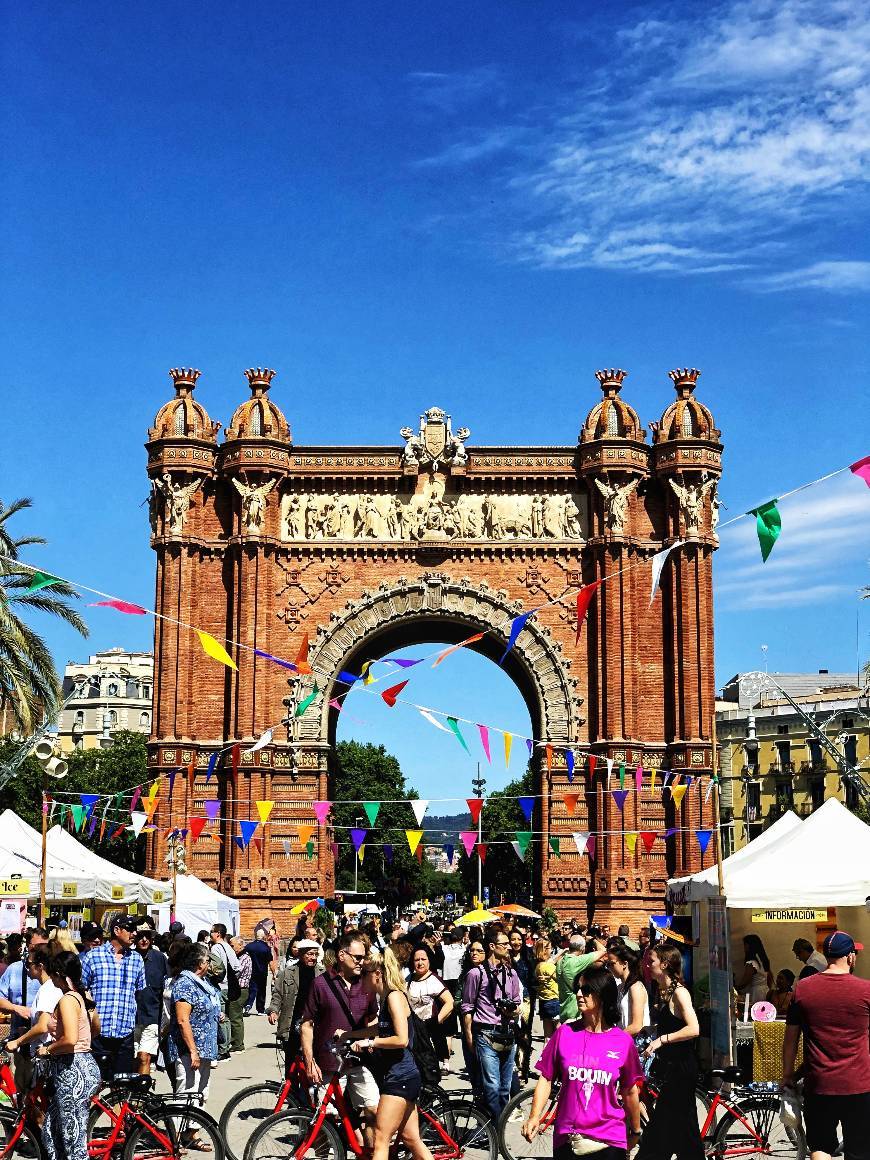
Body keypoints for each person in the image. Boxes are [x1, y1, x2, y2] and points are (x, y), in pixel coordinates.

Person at [522, 966, 643, 1160]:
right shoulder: (564, 1033)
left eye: (586, 990)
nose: (579, 994)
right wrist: (535, 1115)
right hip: (567, 1139)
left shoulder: (622, 1042)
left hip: (609, 1141)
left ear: (602, 994)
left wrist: (636, 1130)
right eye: (577, 989)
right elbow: (546, 1078)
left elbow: (629, 1091)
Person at [338, 949, 435, 1160]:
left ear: (378, 973)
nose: (360, 978)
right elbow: (380, 1029)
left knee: (381, 1139)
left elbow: (401, 1039)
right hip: (402, 1076)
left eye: (364, 973)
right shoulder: (385, 998)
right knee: (411, 1139)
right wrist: (350, 1035)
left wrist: (369, 1043)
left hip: (400, 1076)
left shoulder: (394, 997)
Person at [783, 930, 870, 1160]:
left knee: (820, 1146)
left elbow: (790, 1037)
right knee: (860, 1150)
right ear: (850, 957)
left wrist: (787, 1074)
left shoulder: (803, 989)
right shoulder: (866, 990)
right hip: (859, 1084)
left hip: (819, 1083)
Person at [300, 930, 380, 1148]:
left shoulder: (367, 983)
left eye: (364, 957)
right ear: (342, 955)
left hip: (359, 1061)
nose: (361, 962)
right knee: (325, 1118)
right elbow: (307, 1025)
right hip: (328, 1062)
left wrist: (370, 1041)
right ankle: (324, 1151)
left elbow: (373, 1018)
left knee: (372, 1110)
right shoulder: (321, 984)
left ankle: (370, 1153)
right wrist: (309, 1061)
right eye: (357, 957)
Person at [32, 950, 101, 1160]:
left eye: (53, 974)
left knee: (73, 1139)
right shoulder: (83, 995)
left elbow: (70, 1040)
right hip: (80, 1065)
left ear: (59, 974)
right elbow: (95, 1029)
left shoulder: (68, 1000)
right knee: (51, 1132)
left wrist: (48, 1049)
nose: (51, 978)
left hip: (74, 1071)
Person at [637, 944, 703, 1160]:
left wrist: (661, 1040)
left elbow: (693, 1028)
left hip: (682, 1068)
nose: (648, 964)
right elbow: (671, 1024)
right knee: (680, 1129)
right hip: (672, 1067)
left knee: (669, 1126)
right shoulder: (662, 991)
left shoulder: (679, 993)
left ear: (664, 964)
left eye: (652, 960)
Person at [460, 922, 522, 1121]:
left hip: (507, 1034)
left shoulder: (511, 974)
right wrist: (469, 1035)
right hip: (485, 1034)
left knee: (504, 1089)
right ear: (492, 947)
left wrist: (512, 1011)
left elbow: (517, 1003)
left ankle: (498, 1128)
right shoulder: (475, 973)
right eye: (504, 944)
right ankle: (491, 1128)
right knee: (492, 1086)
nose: (509, 947)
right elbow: (467, 1007)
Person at [81, 914, 146, 1081]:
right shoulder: (93, 956)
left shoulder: (137, 959)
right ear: (117, 930)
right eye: (130, 929)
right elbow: (81, 990)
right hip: (98, 1033)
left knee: (122, 1086)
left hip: (125, 1033)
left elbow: (139, 992)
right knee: (94, 1083)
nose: (135, 933)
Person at [166, 942, 222, 1116]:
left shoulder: (202, 983)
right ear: (200, 964)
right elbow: (183, 1020)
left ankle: (193, 1132)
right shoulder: (185, 984)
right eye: (207, 960)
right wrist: (193, 1051)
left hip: (205, 1048)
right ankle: (178, 1138)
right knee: (187, 1092)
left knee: (200, 1092)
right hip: (188, 1050)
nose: (209, 964)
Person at [0, 926, 49, 1091]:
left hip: (46, 1044)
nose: (42, 950)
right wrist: (16, 1008)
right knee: (22, 1091)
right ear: (28, 946)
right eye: (37, 946)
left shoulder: (53, 971)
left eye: (45, 946)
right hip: (21, 1041)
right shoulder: (14, 970)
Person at [268, 939, 323, 1070]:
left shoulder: (322, 974)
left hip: (314, 1024)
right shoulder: (287, 973)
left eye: (315, 954)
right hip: (292, 1023)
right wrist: (273, 1011)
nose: (313, 958)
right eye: (309, 954)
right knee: (291, 1064)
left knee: (312, 1063)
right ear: (300, 954)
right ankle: (291, 1089)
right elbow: (277, 994)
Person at [407, 947, 453, 1070]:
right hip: (414, 1029)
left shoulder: (434, 980)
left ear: (429, 961)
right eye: (417, 960)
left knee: (429, 1065)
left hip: (430, 1029)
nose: (420, 962)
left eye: (423, 959)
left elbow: (449, 1002)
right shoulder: (408, 979)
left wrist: (437, 1020)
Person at [133, 926, 167, 1075]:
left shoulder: (160, 958)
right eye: (140, 936)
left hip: (152, 1016)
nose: (144, 940)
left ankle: (141, 1095)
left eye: (147, 936)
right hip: (131, 1017)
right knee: (133, 1058)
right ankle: (133, 1092)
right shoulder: (130, 957)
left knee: (144, 1057)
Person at [208, 923, 240, 1060]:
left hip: (220, 986)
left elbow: (215, 969)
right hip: (229, 986)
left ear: (217, 934)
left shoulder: (216, 948)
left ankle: (223, 1049)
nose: (210, 934)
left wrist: (218, 978)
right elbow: (237, 967)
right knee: (225, 1017)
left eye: (212, 932)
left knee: (221, 1017)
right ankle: (226, 1047)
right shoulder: (228, 946)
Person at [606, 940, 651, 1036]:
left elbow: (636, 1026)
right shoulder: (621, 987)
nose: (609, 968)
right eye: (608, 964)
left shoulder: (636, 987)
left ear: (624, 964)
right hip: (624, 1042)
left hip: (633, 1045)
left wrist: (613, 1039)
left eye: (612, 964)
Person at [509, 928, 536, 1084]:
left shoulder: (528, 956)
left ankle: (523, 1068)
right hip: (510, 1001)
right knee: (513, 1033)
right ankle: (512, 1067)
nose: (516, 942)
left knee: (525, 1035)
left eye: (519, 939)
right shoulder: (505, 958)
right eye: (513, 939)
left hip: (526, 1000)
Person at [556, 935, 602, 1023]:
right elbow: (603, 951)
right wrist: (593, 939)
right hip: (575, 1011)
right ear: (582, 948)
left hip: (564, 1008)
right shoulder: (578, 961)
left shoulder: (560, 961)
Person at [534, 936, 560, 1039]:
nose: (551, 949)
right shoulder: (549, 967)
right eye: (549, 947)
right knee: (559, 1033)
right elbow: (560, 978)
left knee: (548, 1037)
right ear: (544, 950)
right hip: (554, 1000)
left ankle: (545, 1055)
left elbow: (552, 961)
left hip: (544, 1002)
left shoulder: (539, 965)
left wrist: (562, 953)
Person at [229, 937, 251, 1051]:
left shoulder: (244, 958)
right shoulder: (238, 957)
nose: (231, 948)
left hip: (240, 990)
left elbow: (236, 972)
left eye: (232, 946)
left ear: (241, 946)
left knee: (235, 1017)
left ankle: (237, 1044)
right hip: (238, 989)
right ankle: (236, 1042)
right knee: (235, 1016)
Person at [735, 934, 771, 1006]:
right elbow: (769, 978)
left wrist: (736, 988)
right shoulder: (763, 961)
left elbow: (746, 980)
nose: (744, 948)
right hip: (765, 991)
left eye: (744, 945)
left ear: (748, 946)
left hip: (757, 993)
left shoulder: (752, 962)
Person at [244, 932, 273, 1015]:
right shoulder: (266, 947)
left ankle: (248, 1005)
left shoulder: (249, 946)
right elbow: (270, 961)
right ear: (263, 936)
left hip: (250, 971)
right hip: (262, 972)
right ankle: (260, 1009)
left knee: (251, 989)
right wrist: (274, 973)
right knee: (261, 990)